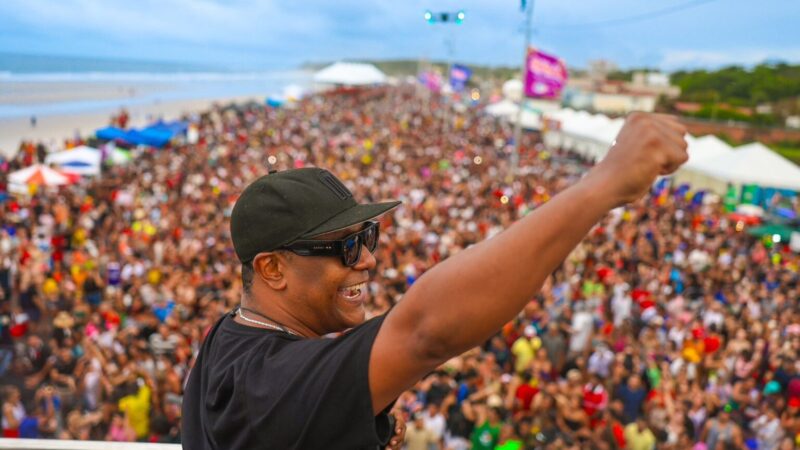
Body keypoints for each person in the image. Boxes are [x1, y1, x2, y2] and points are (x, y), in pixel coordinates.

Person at [181, 112, 687, 449]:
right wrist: (603, 185)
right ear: (272, 268)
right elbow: (426, 332)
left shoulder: (231, 338)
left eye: (369, 236)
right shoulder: (266, 386)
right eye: (344, 246)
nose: (368, 261)